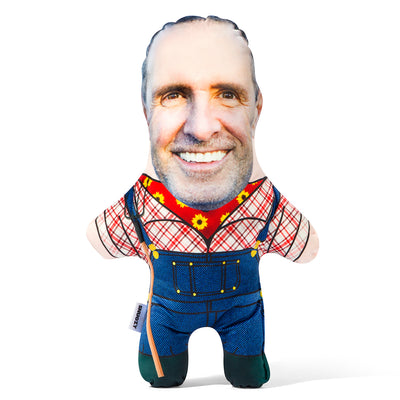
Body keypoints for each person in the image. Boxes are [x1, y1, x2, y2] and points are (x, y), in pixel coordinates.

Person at [87, 15, 319, 388]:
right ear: (146, 112)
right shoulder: (138, 204)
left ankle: (243, 361)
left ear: (256, 109)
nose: (201, 128)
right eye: (172, 95)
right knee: (160, 370)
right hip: (166, 317)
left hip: (242, 316)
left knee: (246, 369)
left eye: (228, 94)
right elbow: (98, 240)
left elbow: (308, 249)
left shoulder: (266, 203)